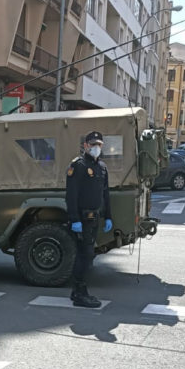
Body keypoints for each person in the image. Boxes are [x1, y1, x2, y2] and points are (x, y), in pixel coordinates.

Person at [66, 131, 113, 308]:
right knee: (84, 256)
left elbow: (105, 194)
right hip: (82, 218)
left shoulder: (102, 167)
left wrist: (108, 216)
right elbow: (71, 195)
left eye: (99, 145)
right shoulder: (78, 165)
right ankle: (80, 293)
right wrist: (74, 219)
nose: (96, 148)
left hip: (95, 218)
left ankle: (77, 291)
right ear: (85, 145)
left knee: (88, 255)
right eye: (93, 144)